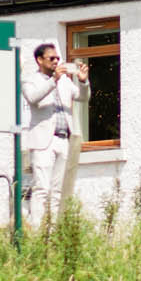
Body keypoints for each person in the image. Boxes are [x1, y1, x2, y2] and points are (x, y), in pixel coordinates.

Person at [22, 41, 89, 221]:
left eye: (58, 58)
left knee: (58, 191)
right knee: (42, 189)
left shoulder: (65, 81)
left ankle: (51, 236)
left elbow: (83, 97)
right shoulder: (30, 80)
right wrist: (53, 81)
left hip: (63, 139)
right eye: (51, 58)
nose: (56, 61)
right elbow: (33, 98)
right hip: (44, 141)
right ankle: (38, 236)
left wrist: (83, 81)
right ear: (39, 60)